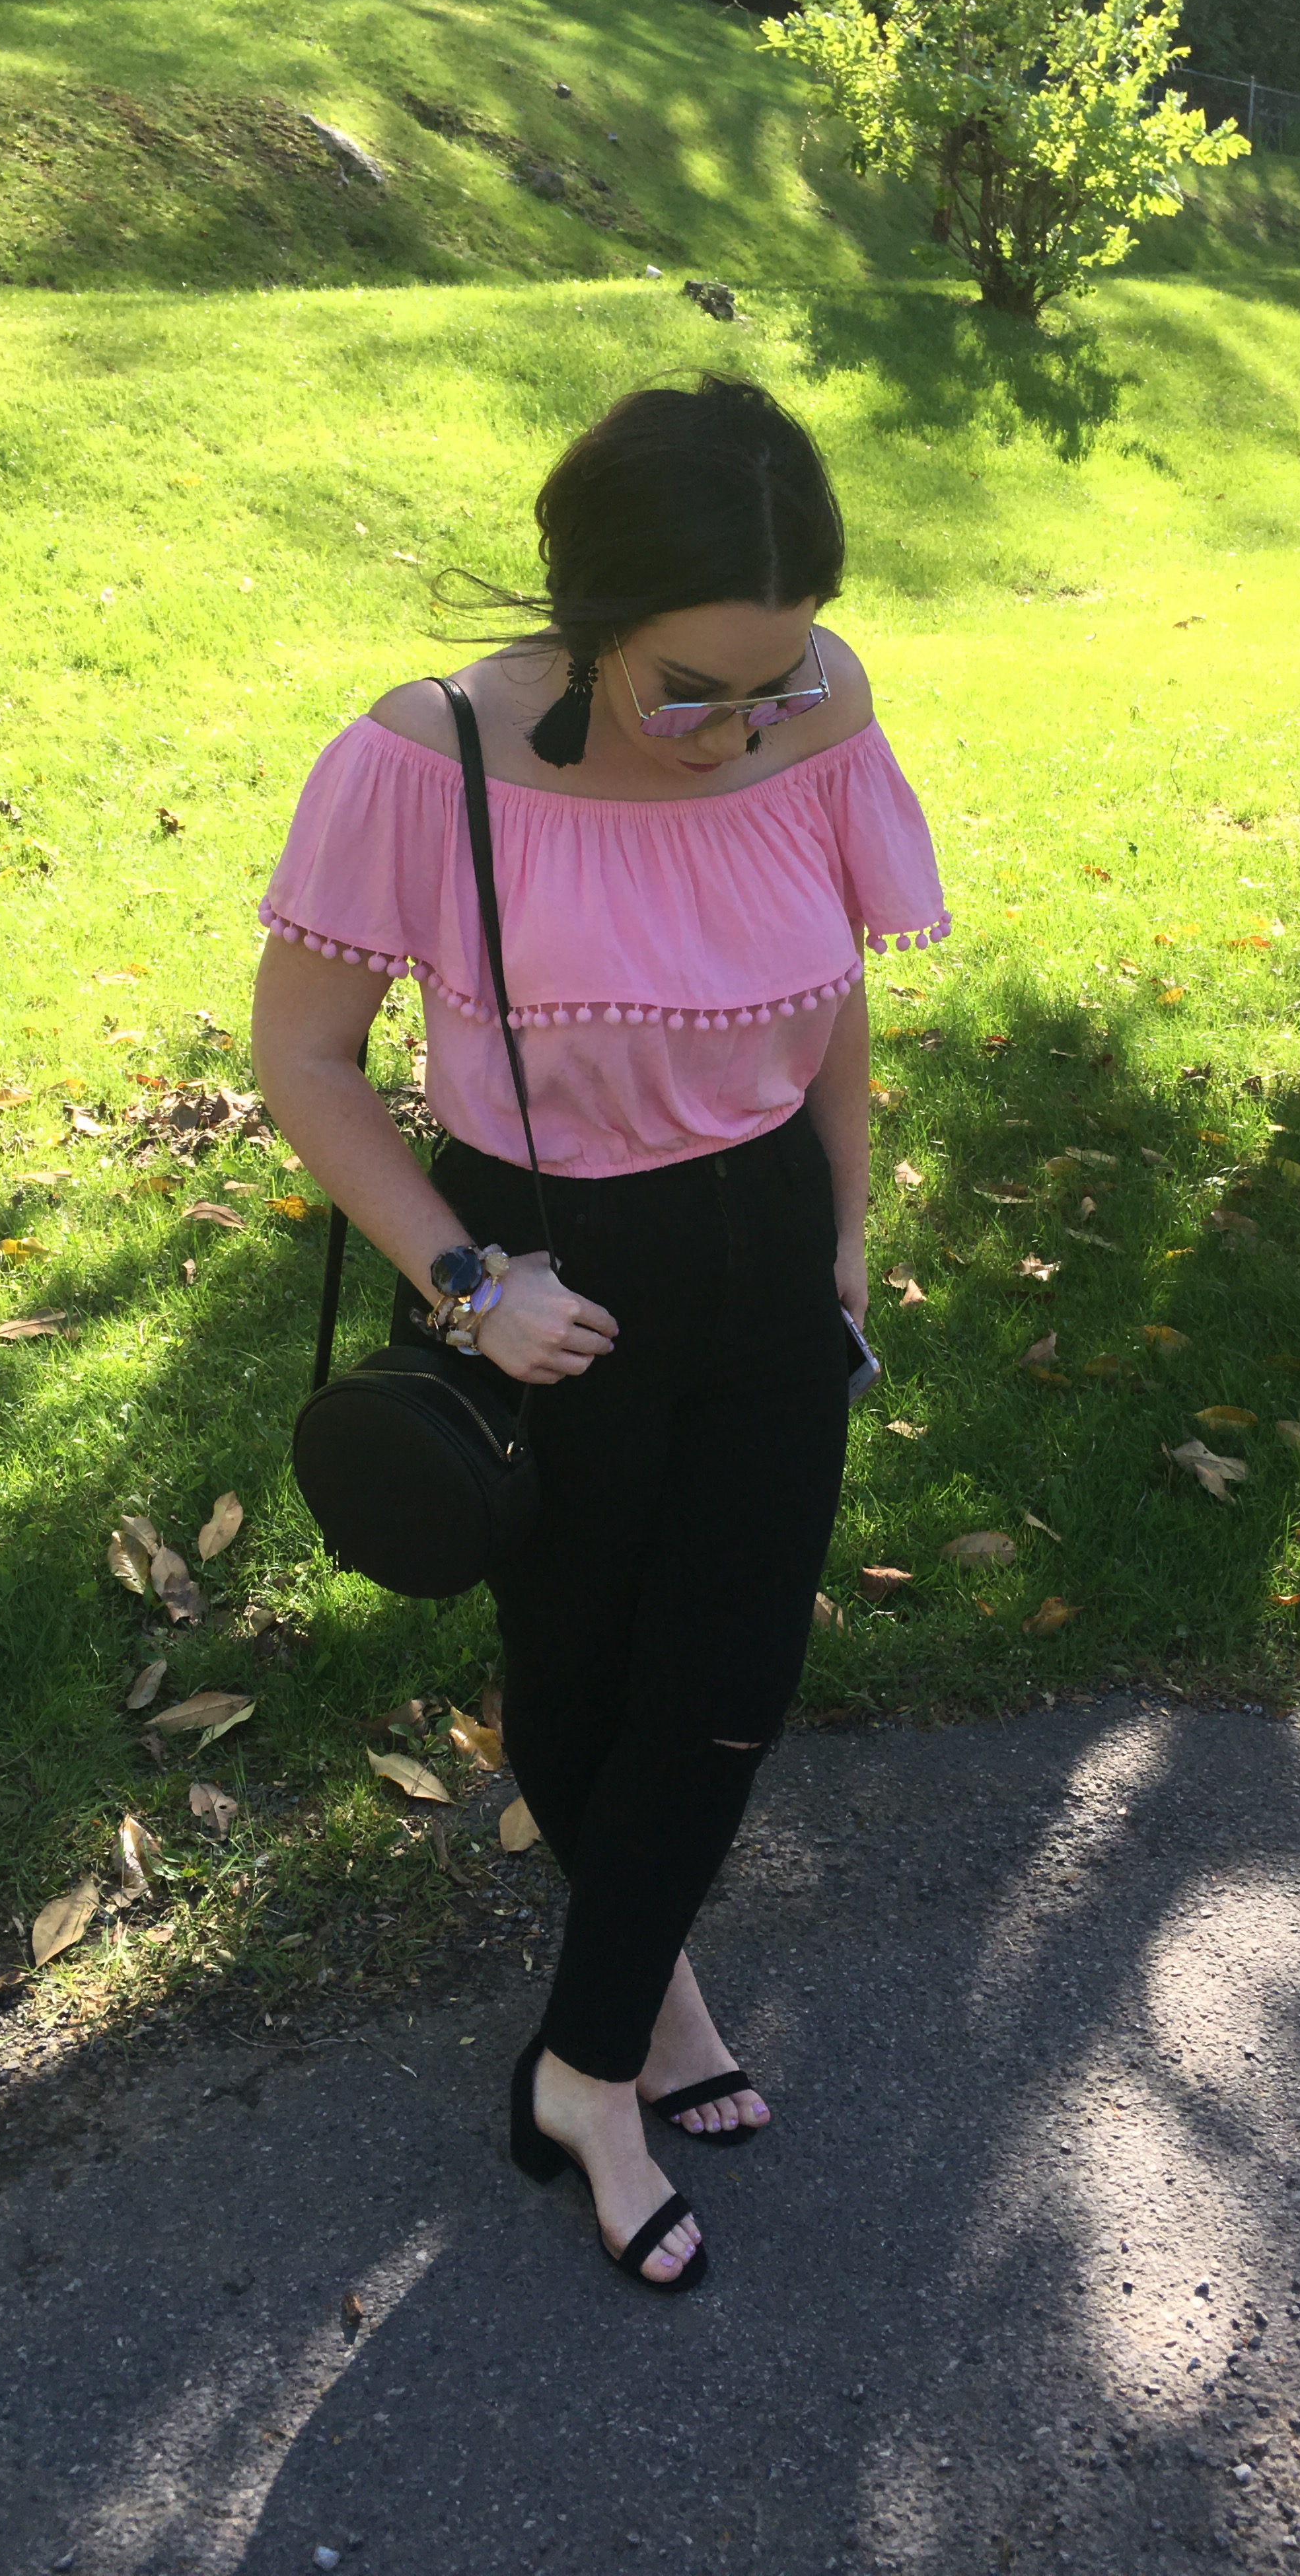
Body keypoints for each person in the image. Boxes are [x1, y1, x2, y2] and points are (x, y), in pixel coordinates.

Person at [250, 374, 947, 2295]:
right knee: (579, 1666)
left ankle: (583, 2061)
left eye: (777, 683)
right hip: (547, 1262)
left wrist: (848, 1220)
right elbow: (306, 1060)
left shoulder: (821, 711)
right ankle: (644, 2012)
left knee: (730, 1676)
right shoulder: (426, 760)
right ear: (588, 618)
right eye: (691, 691)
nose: (743, 729)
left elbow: (832, 988)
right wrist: (469, 1282)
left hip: (769, 1243)